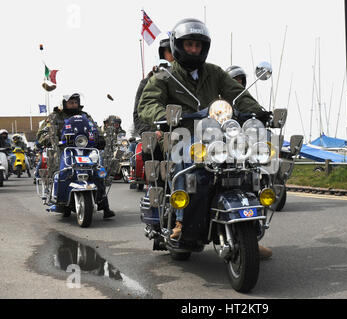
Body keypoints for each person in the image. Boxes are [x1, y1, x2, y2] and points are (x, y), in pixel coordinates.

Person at [138, 18, 272, 258]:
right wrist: (165, 117)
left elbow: (238, 94)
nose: (193, 49)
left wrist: (258, 111)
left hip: (216, 135)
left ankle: (248, 230)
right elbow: (148, 103)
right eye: (188, 44)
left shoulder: (214, 73)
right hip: (180, 134)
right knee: (187, 153)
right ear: (178, 46)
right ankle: (181, 221)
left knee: (248, 161)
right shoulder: (165, 76)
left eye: (197, 46)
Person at [36, 93, 115, 218]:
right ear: (63, 103)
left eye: (75, 102)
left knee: (98, 172)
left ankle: (104, 204)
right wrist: (50, 139)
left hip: (86, 149)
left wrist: (100, 138)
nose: (73, 105)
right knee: (61, 172)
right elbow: (42, 134)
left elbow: (94, 128)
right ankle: (59, 200)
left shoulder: (85, 116)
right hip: (63, 150)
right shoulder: (55, 116)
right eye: (70, 102)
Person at [134, 38, 175, 136]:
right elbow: (139, 115)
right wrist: (152, 133)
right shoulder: (148, 81)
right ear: (163, 54)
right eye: (170, 51)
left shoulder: (194, 79)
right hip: (161, 136)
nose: (175, 55)